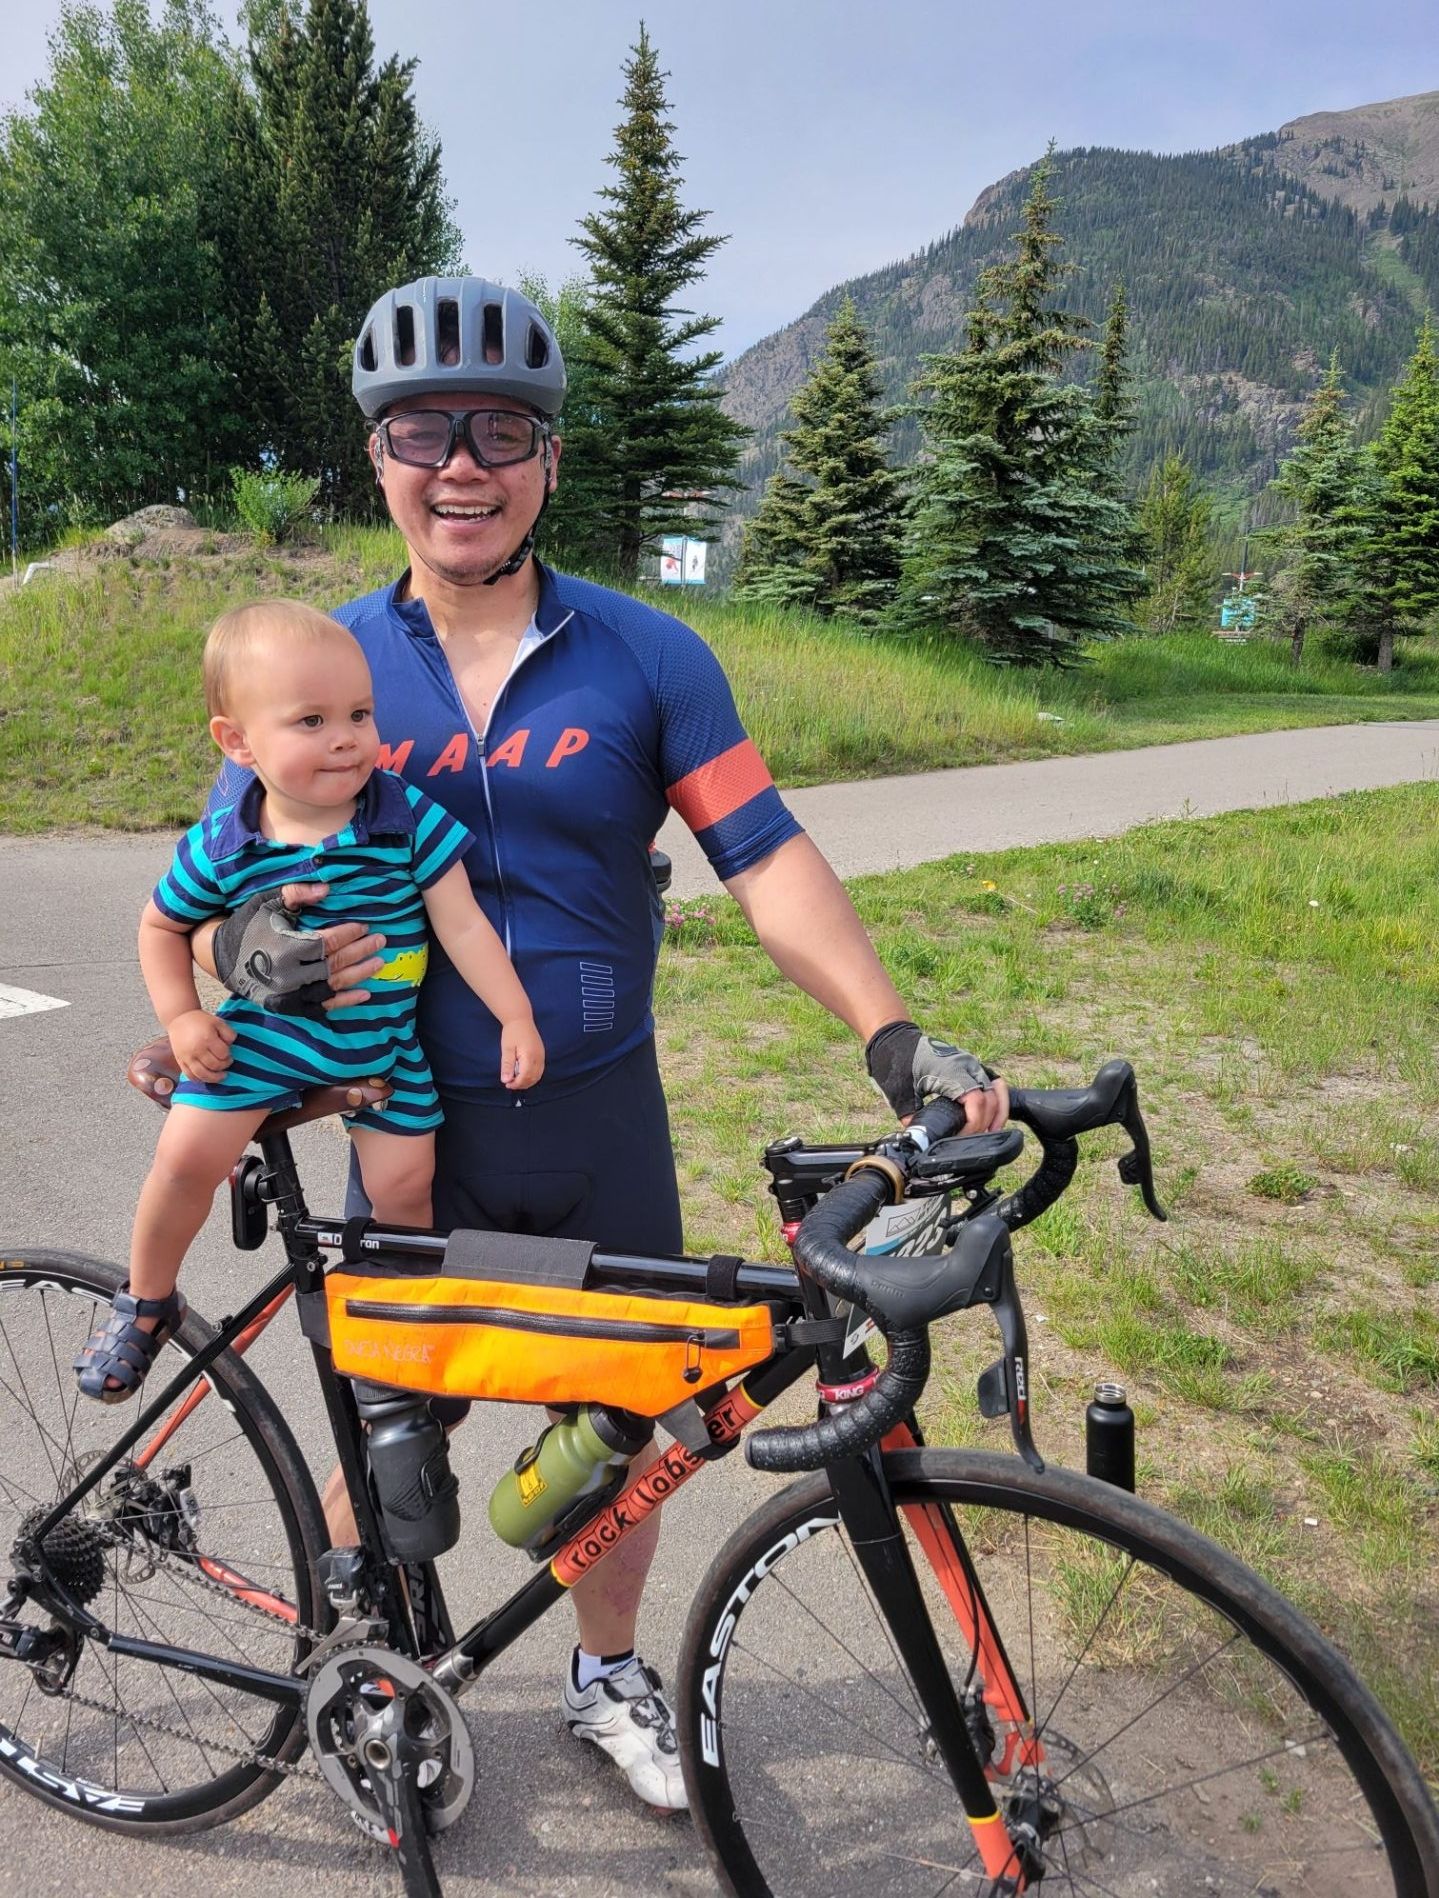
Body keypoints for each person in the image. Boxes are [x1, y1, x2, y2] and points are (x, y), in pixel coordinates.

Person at [189, 276, 1009, 1812]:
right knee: (395, 1431)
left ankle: (603, 1673)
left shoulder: (646, 653)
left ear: (549, 458)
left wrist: (890, 1033)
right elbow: (216, 892)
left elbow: (763, 856)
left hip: (598, 1116)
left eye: (500, 429)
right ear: (377, 456)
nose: (460, 462)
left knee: (624, 1423)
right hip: (407, 1121)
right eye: (421, 429)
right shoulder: (321, 658)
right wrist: (253, 959)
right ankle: (367, 1669)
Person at [77, 600, 542, 1403]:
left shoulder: (403, 817)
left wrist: (516, 1014)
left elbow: (463, 924)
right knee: (186, 1159)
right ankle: (147, 1299)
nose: (346, 738)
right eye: (312, 721)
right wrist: (182, 1017)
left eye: (359, 714)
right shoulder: (226, 843)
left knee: (406, 1186)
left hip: (382, 1051)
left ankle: (399, 1319)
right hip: (259, 1045)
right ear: (238, 742)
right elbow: (160, 925)